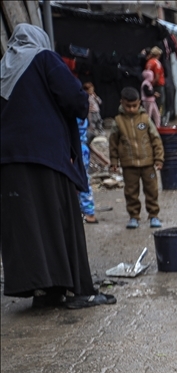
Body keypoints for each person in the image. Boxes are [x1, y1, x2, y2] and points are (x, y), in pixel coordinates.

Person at [0, 23, 115, 309]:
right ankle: (79, 291)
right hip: (45, 157)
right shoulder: (44, 58)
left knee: (28, 227)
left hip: (8, 162)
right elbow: (75, 98)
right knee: (61, 220)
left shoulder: (3, 68)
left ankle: (45, 291)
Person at [109, 87, 164, 229]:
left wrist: (159, 159)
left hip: (148, 162)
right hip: (129, 164)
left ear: (139, 102)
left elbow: (156, 139)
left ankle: (154, 215)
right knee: (131, 192)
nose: (132, 109)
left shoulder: (145, 119)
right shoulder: (118, 121)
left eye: (135, 105)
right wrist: (114, 161)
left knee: (152, 190)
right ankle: (134, 216)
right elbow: (113, 143)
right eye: (128, 106)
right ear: (122, 103)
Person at [77, 116, 97, 224]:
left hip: (77, 148)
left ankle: (89, 212)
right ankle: (86, 211)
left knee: (82, 180)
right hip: (80, 147)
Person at [145, 47, 165, 116]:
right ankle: (160, 119)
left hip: (150, 85)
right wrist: (153, 84)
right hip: (158, 85)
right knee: (160, 103)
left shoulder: (148, 62)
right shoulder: (157, 63)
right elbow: (157, 76)